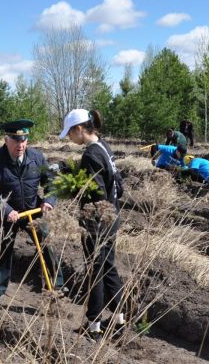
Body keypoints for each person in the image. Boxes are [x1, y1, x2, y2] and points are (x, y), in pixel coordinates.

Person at [0, 119, 64, 304]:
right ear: (6, 139)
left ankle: (56, 288)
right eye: (16, 140)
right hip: (6, 214)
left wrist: (49, 201)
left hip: (33, 210)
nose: (20, 145)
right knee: (1, 251)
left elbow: (51, 181)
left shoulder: (37, 158)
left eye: (24, 140)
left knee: (48, 246)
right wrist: (6, 209)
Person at [59, 109, 125, 341]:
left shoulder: (90, 155)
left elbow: (95, 195)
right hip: (112, 215)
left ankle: (94, 326)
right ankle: (119, 321)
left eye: (69, 133)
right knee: (108, 268)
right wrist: (75, 172)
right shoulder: (104, 147)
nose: (69, 138)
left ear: (79, 129)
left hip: (98, 221)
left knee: (96, 271)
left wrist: (74, 187)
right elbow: (115, 184)